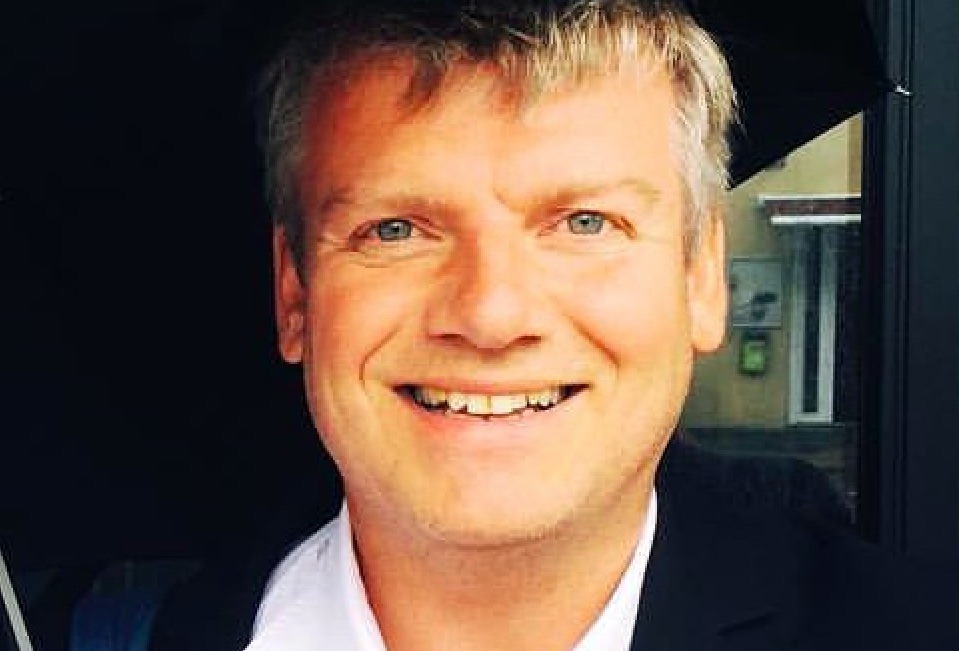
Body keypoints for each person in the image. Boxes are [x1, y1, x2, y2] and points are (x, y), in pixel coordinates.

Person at [147, 1, 958, 649]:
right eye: (394, 229)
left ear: (700, 275)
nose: (492, 314)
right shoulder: (183, 629)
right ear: (293, 290)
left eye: (584, 222)